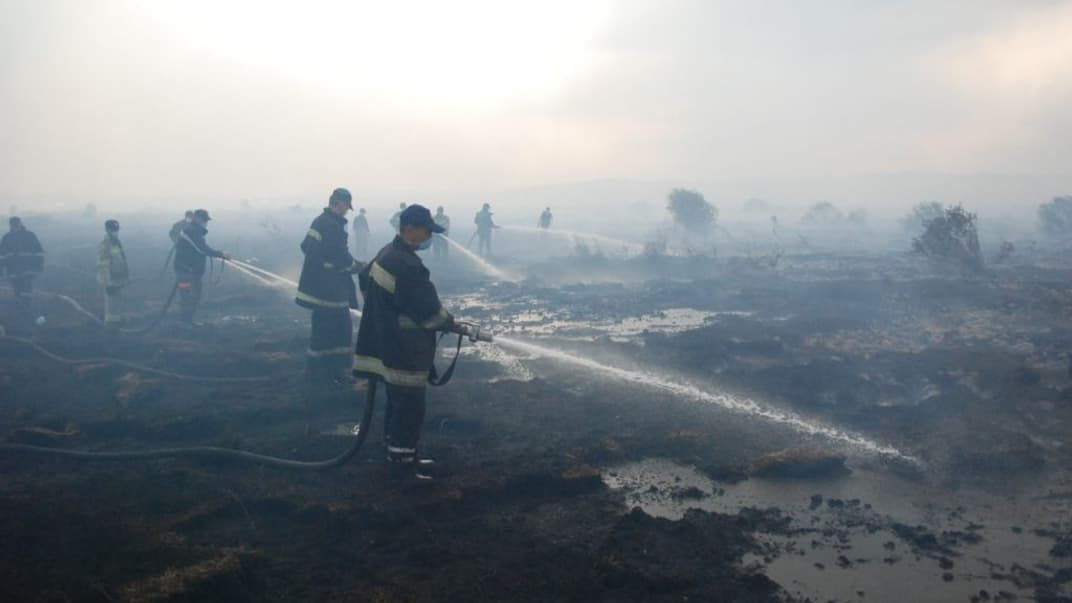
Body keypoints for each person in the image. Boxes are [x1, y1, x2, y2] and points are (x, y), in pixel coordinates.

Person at [354, 204, 457, 480]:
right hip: (404, 349)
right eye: (425, 232)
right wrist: (450, 323)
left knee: (397, 402)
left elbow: (364, 278)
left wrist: (383, 310)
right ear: (409, 229)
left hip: (386, 343)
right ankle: (402, 468)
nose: (427, 238)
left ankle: (398, 456)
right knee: (410, 406)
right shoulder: (406, 265)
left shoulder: (387, 253)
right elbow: (427, 309)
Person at [296, 188, 364, 382]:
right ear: (337, 203)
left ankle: (320, 371)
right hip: (330, 290)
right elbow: (336, 254)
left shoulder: (322, 222)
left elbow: (307, 247)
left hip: (326, 288)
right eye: (345, 207)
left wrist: (332, 263)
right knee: (339, 329)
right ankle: (335, 371)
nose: (346, 212)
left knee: (323, 330)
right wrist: (351, 266)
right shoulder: (329, 224)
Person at [173, 209, 231, 326]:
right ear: (197, 218)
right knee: (189, 296)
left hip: (191, 270)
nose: (205, 223)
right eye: (204, 220)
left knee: (192, 295)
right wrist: (221, 254)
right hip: (186, 270)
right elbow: (202, 249)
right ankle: (186, 322)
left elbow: (200, 248)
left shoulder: (194, 231)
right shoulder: (191, 231)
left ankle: (187, 321)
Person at [0, 217, 44, 325]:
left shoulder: (29, 235)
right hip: (13, 272)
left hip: (27, 270)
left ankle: (26, 311)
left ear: (20, 224)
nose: (15, 226)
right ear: (10, 225)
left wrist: (38, 267)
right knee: (18, 291)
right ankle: (22, 313)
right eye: (13, 224)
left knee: (26, 290)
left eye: (16, 224)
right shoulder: (6, 238)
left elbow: (38, 252)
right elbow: (1, 257)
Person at [96, 219, 129, 331]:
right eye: (114, 230)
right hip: (111, 281)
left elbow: (122, 260)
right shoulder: (105, 245)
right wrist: (108, 284)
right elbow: (103, 266)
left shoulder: (116, 242)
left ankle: (118, 328)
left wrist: (126, 277)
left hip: (119, 279)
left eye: (117, 229)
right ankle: (110, 330)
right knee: (111, 309)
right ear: (108, 230)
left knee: (118, 306)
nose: (116, 232)